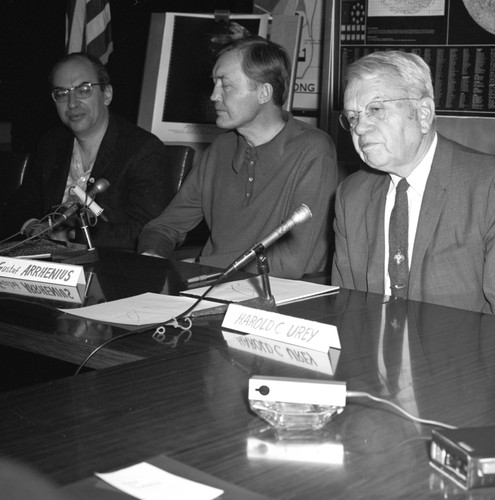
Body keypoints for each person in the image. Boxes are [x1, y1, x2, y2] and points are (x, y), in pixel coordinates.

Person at [138, 35, 338, 279]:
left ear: (264, 92)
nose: (213, 96)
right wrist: (153, 255)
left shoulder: (313, 150)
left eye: (226, 85)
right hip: (209, 288)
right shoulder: (221, 149)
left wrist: (201, 265)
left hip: (278, 300)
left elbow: (291, 260)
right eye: (214, 84)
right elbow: (165, 226)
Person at [332, 50, 495, 313]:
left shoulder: (487, 187)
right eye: (353, 117)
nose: (360, 128)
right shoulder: (351, 196)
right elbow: (347, 311)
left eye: (375, 109)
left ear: (422, 114)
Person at [0, 52, 177, 252]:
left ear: (107, 94)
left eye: (83, 90)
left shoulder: (143, 150)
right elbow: (19, 205)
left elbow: (147, 231)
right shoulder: (52, 144)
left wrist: (70, 232)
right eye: (62, 94)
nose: (72, 103)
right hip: (46, 260)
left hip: (109, 272)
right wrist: (33, 227)